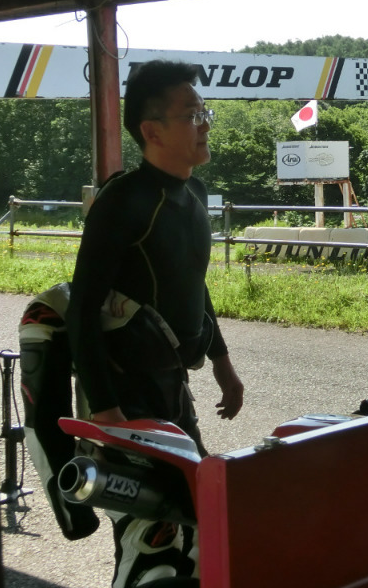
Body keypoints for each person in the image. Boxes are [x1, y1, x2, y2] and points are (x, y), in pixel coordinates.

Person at [67, 59, 244, 586]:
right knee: (151, 536)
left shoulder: (195, 195)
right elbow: (82, 308)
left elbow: (193, 284)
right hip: (124, 390)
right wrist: (106, 409)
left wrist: (223, 364)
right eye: (191, 114)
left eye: (204, 112)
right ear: (152, 131)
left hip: (171, 384)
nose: (204, 124)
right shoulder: (123, 201)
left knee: (199, 510)